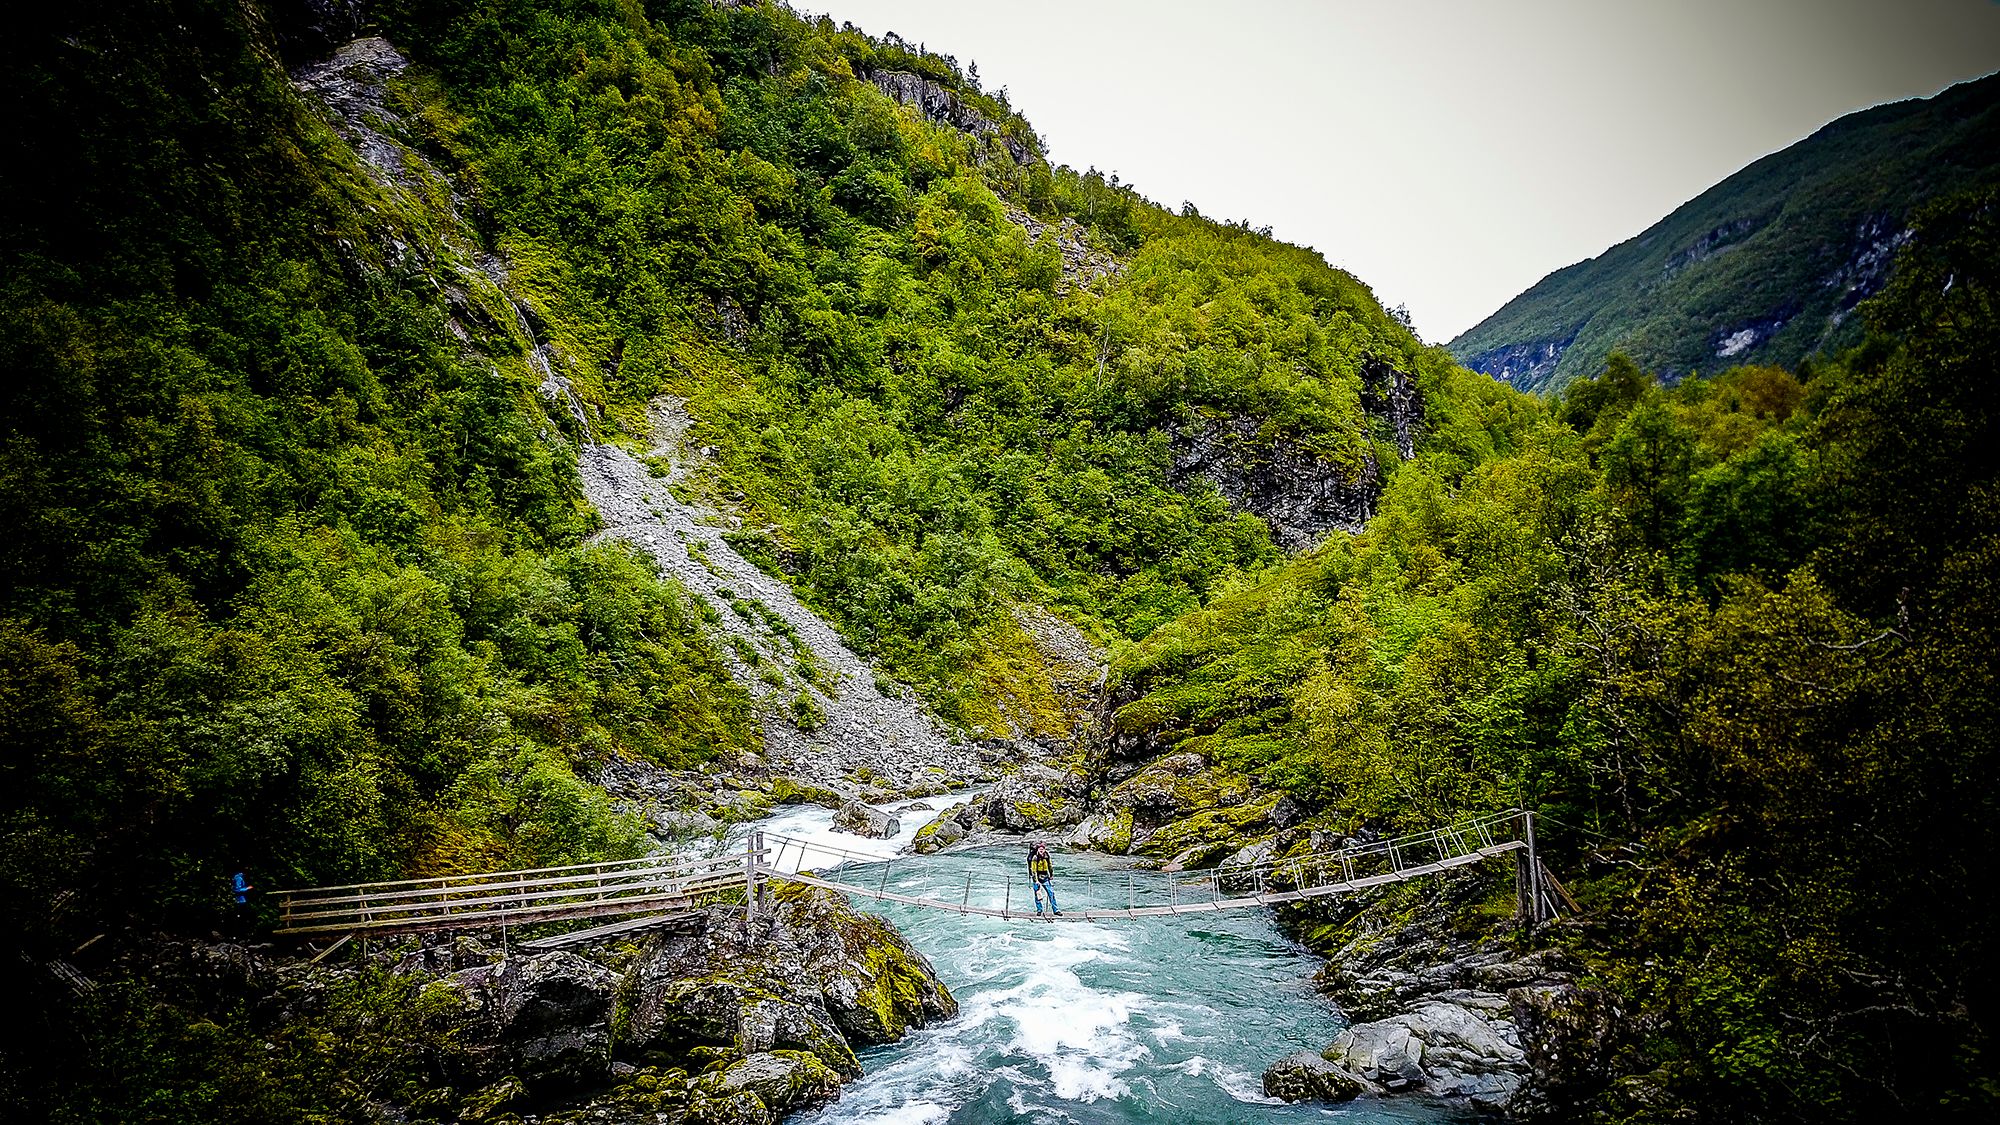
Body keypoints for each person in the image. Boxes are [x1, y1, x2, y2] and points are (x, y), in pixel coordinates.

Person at [1028, 842, 1060, 917]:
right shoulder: (1035, 858)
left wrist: (1051, 874)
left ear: (1045, 850)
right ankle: (1039, 910)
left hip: (1045, 877)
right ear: (1038, 850)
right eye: (1040, 849)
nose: (1041, 850)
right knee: (1038, 895)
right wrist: (1036, 881)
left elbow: (1050, 865)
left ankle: (1056, 910)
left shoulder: (1046, 856)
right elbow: (1033, 870)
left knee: (1051, 893)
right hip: (1037, 877)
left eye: (1042, 849)